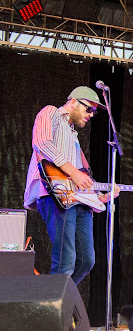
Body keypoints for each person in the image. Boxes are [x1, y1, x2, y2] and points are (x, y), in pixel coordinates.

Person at [23, 86, 120, 285]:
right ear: (73, 102)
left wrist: (99, 197)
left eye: (94, 112)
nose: (91, 115)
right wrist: (74, 173)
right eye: (89, 109)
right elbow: (41, 143)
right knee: (65, 261)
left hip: (78, 200)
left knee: (86, 261)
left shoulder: (73, 136)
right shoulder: (50, 112)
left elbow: (82, 178)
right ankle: (54, 310)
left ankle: (57, 299)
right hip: (55, 194)